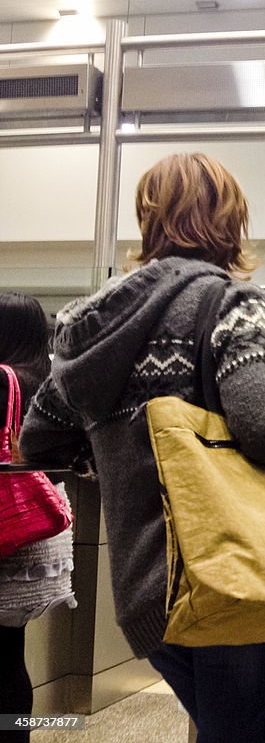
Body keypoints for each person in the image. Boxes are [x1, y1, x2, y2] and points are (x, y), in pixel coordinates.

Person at [19, 153, 265, 743]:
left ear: (148, 217)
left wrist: (115, 453)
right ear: (231, 219)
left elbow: (39, 441)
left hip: (148, 589)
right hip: (239, 574)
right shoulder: (230, 303)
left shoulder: (87, 326)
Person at [0, 292, 76, 743]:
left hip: (5, 524)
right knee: (10, 652)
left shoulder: (3, 379)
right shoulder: (48, 383)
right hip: (32, 530)